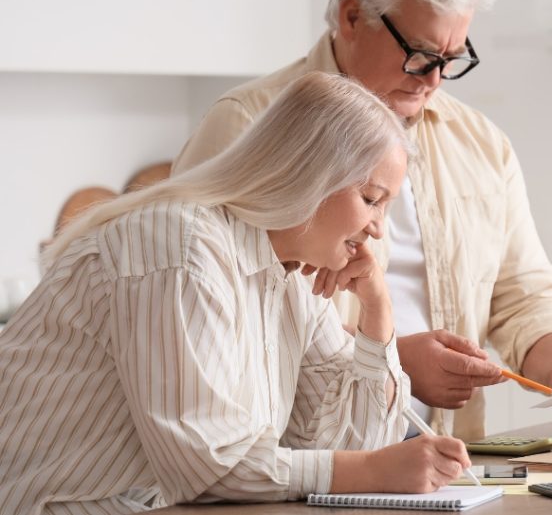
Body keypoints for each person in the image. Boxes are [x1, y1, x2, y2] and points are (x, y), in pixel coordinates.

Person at [173, 0, 552, 441]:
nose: (434, 80)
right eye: (419, 53)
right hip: (295, 459)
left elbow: (522, 293)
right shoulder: (245, 123)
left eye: (451, 59)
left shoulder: (481, 144)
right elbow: (204, 308)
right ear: (351, 16)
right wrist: (390, 356)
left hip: (443, 456)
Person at [0, 73, 472, 514]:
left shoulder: (293, 276)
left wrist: (378, 311)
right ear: (310, 173)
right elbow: (209, 467)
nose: (377, 229)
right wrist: (372, 472)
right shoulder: (180, 247)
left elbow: (348, 445)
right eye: (371, 199)